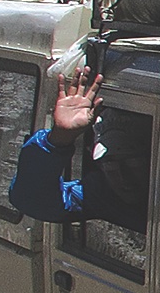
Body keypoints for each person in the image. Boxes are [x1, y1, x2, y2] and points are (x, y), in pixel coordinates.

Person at [8, 67, 104, 223]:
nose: (120, 172)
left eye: (131, 160)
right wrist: (60, 137)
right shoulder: (102, 192)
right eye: (111, 162)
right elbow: (33, 200)